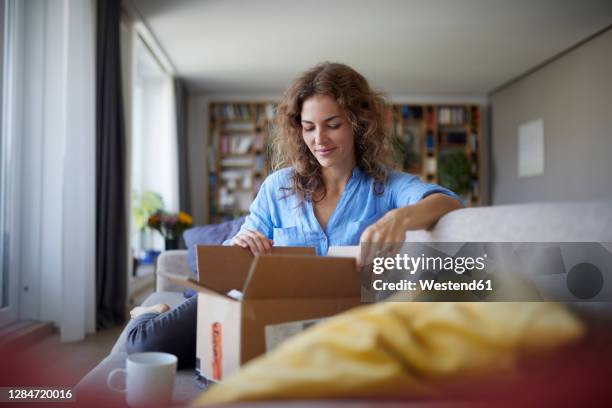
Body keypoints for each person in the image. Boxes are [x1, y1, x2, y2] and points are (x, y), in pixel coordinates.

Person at [126, 62, 463, 368]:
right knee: (146, 343)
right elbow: (232, 254)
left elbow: (446, 201)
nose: (320, 140)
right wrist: (241, 242)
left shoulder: (386, 186)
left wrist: (400, 219)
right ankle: (151, 311)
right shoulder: (280, 187)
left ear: (359, 124)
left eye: (332, 125)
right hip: (258, 303)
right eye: (309, 127)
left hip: (332, 320)